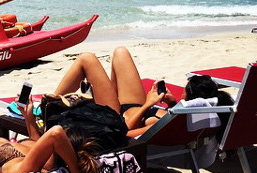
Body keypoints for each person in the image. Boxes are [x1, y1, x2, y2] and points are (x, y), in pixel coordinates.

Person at [53, 46, 234, 137]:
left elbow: (124, 133)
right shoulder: (187, 115)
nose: (182, 95)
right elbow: (179, 112)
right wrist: (171, 104)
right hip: (135, 107)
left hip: (115, 118)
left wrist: (148, 104)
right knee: (121, 52)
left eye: (185, 91)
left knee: (87, 59)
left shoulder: (171, 123)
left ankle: (51, 103)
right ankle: (96, 92)